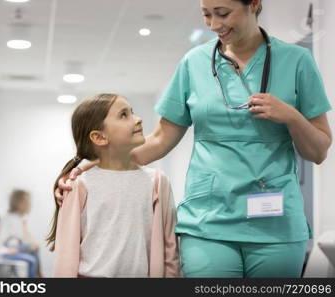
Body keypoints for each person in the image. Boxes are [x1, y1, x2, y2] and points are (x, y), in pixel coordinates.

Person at [56, 0, 332, 278]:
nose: (214, 25)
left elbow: (319, 151)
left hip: (275, 223)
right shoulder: (194, 62)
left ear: (255, 4)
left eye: (223, 14)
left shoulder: (297, 61)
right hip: (207, 221)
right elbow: (161, 139)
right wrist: (94, 167)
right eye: (207, 15)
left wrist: (291, 116)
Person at [46, 93, 179, 278]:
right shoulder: (79, 185)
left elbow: (170, 248)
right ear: (99, 137)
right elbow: (65, 254)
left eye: (131, 112)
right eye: (124, 115)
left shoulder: (157, 181)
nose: (138, 119)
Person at [0, 189, 43, 277]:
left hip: (17, 246)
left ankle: (38, 274)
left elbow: (25, 237)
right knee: (33, 249)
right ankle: (39, 274)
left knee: (34, 249)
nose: (29, 205)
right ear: (19, 203)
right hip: (10, 248)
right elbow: (7, 239)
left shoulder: (19, 219)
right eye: (26, 202)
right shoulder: (10, 218)